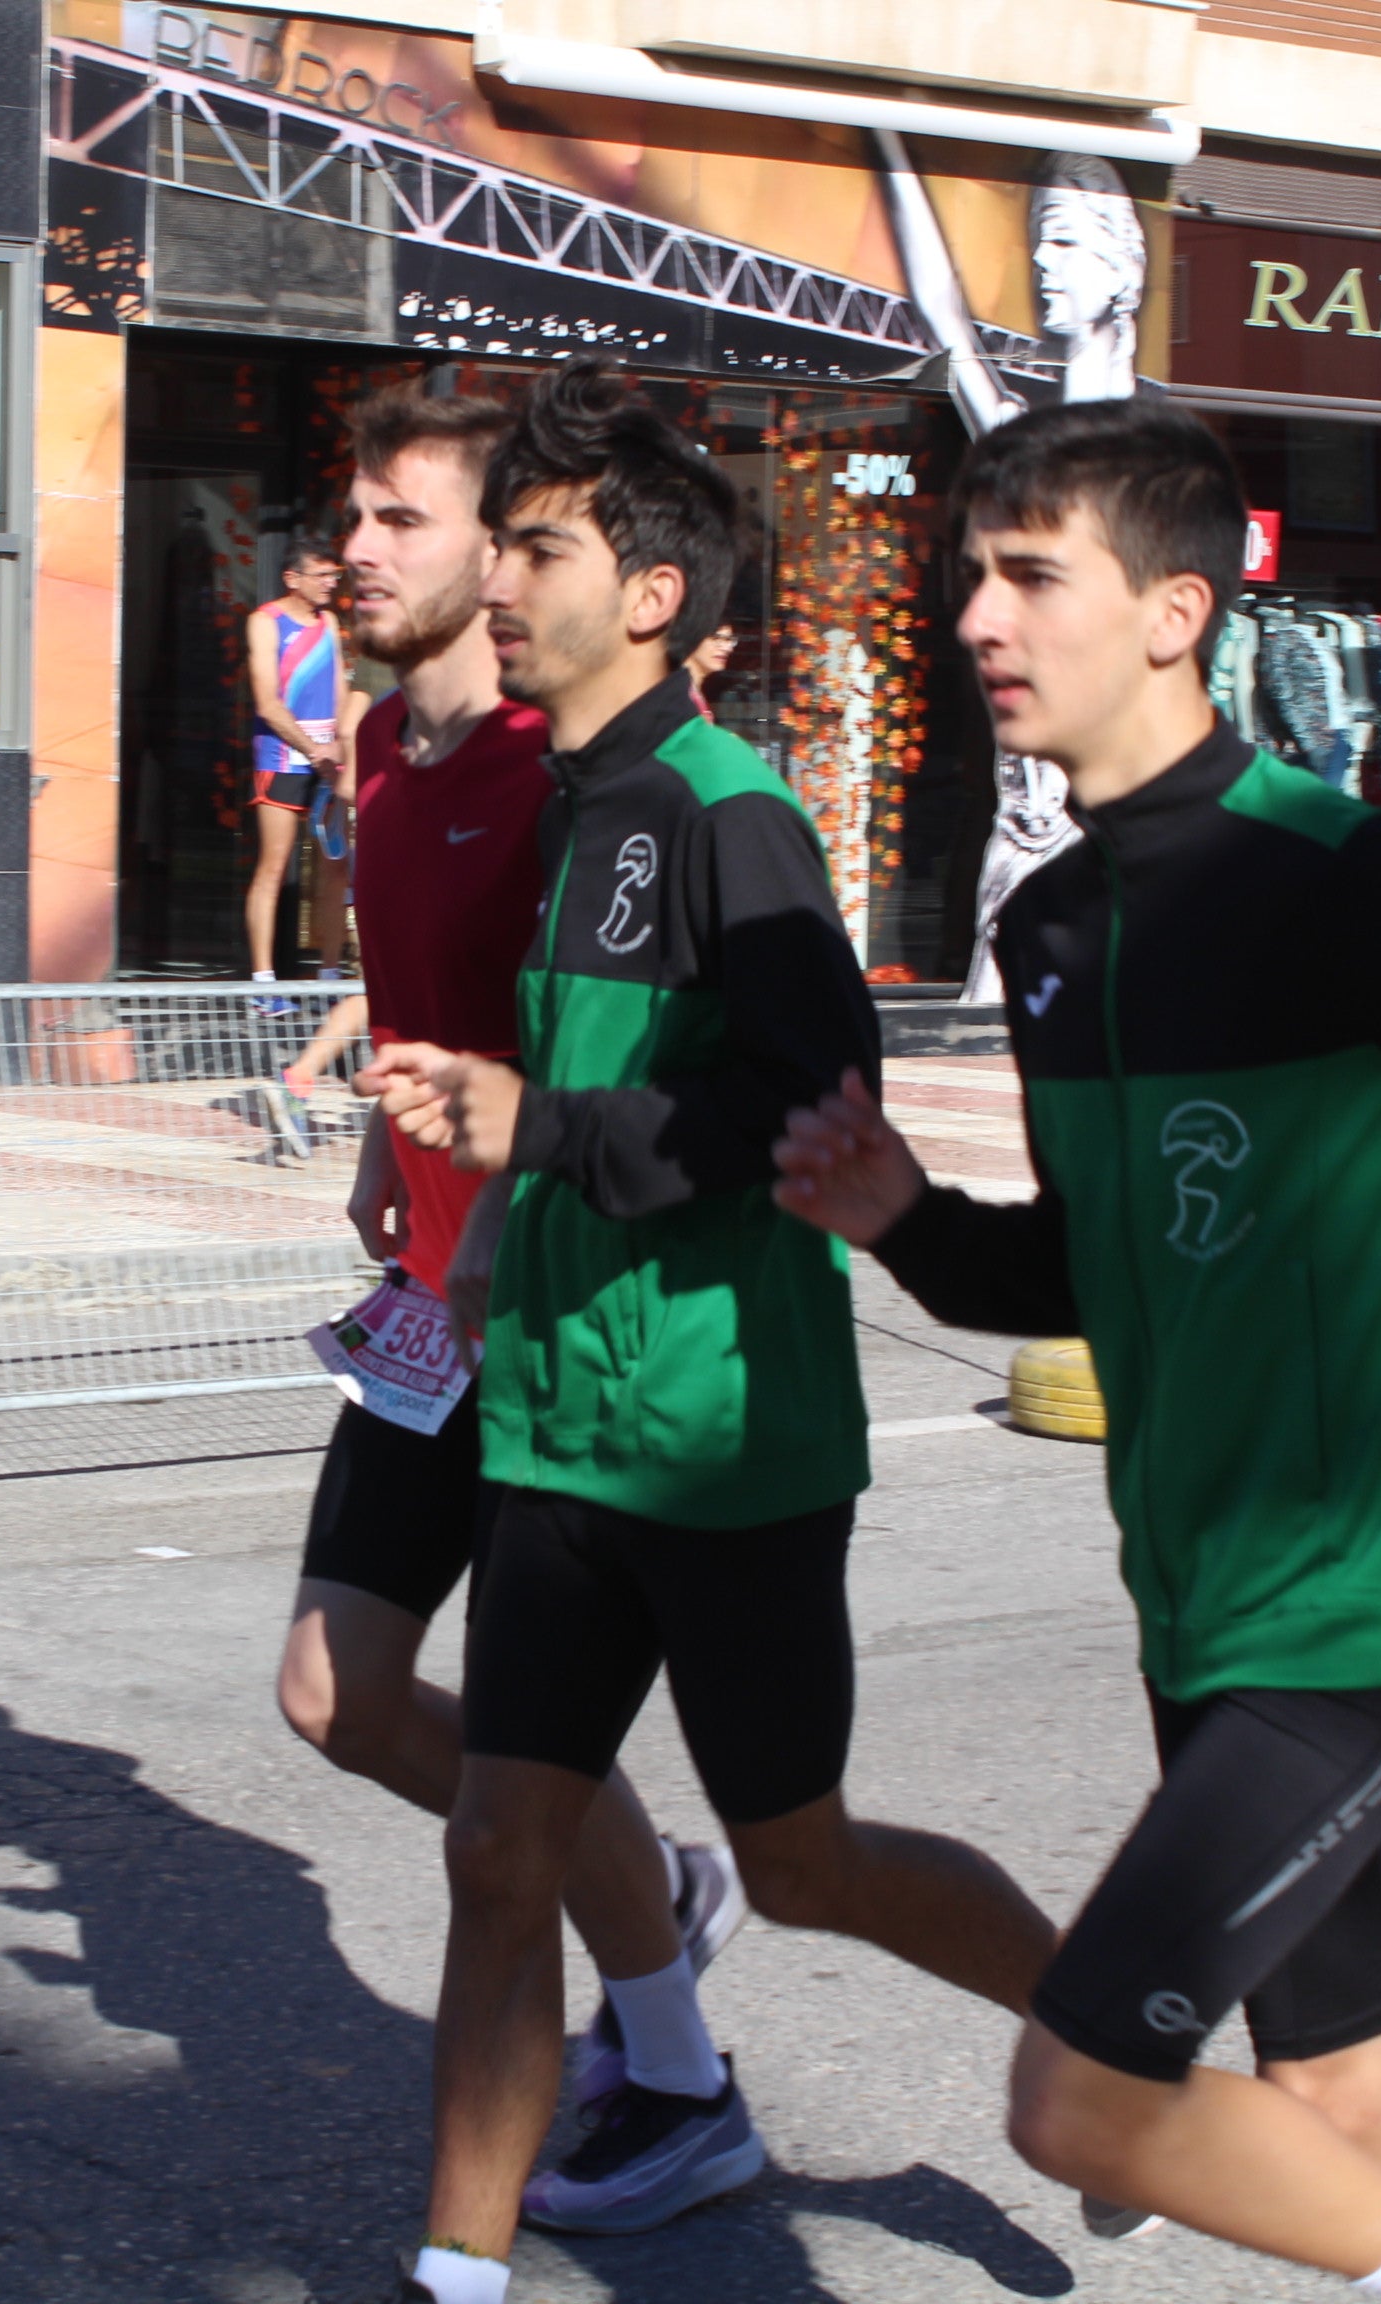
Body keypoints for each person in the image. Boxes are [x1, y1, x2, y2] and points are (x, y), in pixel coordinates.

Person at [769, 397, 1381, 2304]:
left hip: (1361, 1612)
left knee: (1079, 2098)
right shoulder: (1049, 924)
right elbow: (1101, 1269)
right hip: (1198, 1600)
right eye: (973, 569)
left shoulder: (1334, 872)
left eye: (1031, 574)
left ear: (1174, 611)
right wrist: (902, 1220)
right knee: (1341, 2081)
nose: (976, 615)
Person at [362, 360, 1058, 2304]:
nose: (502, 581)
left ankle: (1102, 2031)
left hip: (722, 1441)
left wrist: (541, 1132)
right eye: (496, 544)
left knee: (809, 1859)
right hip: (561, 1431)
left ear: (650, 593)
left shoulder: (727, 815)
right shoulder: (586, 808)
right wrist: (500, 1181)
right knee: (500, 1853)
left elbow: (810, 1104)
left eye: (539, 546)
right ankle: (457, 2275)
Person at [275, 385, 746, 2241]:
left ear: (505, 562)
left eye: (402, 518)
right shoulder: (384, 741)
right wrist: (409, 1141)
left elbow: (635, 1043)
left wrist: (515, 1197)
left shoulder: (586, 778)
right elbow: (425, 977)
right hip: (430, 1292)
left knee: (525, 1794)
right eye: (356, 513)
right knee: (335, 1688)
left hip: (562, 1313)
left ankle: (679, 2067)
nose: (355, 548)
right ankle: (660, 1892)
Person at [245, 540, 353, 1008]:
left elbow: (342, 692)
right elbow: (267, 702)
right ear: (293, 578)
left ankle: (329, 975)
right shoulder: (265, 622)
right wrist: (314, 751)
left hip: (328, 760)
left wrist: (342, 747)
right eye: (323, 575)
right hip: (281, 758)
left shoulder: (329, 622)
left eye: (335, 575)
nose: (332, 583)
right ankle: (264, 983)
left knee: (334, 868)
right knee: (274, 864)